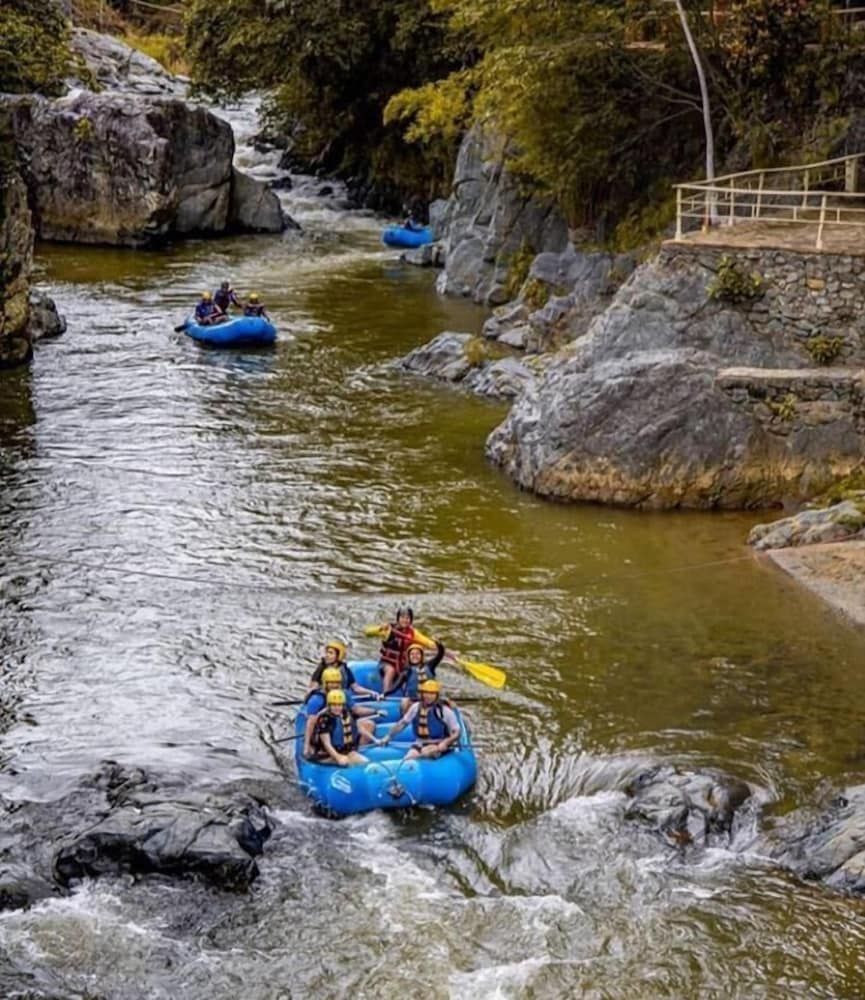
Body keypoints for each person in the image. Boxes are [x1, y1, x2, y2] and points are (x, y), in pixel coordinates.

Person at [302, 667, 380, 758]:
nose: (334, 685)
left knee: (369, 724)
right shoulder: (317, 699)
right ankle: (332, 753)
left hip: (341, 725)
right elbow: (311, 722)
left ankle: (356, 750)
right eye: (331, 683)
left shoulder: (343, 694)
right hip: (325, 729)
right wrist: (306, 746)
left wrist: (375, 711)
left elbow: (356, 710)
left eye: (337, 682)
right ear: (325, 683)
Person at [378, 679, 460, 760]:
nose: (428, 696)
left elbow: (457, 733)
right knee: (408, 758)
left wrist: (446, 742)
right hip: (420, 743)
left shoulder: (444, 711)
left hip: (439, 743)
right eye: (426, 693)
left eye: (432, 693)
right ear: (422, 694)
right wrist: (388, 736)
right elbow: (402, 724)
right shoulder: (415, 707)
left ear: (437, 695)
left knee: (426, 752)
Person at [376, 607, 436, 696]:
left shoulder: (413, 633)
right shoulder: (388, 629)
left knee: (416, 670)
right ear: (398, 619)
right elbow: (371, 632)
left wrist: (436, 646)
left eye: (407, 618)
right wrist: (380, 629)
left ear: (411, 620)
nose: (405, 620)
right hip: (386, 663)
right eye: (402, 617)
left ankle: (417, 694)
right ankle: (385, 693)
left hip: (402, 664)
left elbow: (427, 642)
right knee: (391, 670)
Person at [307, 689, 369, 766]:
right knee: (348, 761)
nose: (337, 707)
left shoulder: (346, 714)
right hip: (326, 755)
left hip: (345, 751)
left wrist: (375, 740)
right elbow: (326, 743)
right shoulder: (325, 719)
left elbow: (358, 728)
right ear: (329, 706)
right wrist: (338, 757)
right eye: (334, 705)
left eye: (339, 705)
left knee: (363, 761)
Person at [308, 640, 381, 700]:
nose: (327, 655)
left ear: (338, 656)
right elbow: (313, 686)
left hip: (340, 698)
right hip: (326, 698)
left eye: (330, 653)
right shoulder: (321, 668)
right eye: (327, 652)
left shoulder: (344, 669)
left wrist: (371, 693)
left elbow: (356, 688)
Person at [393, 640, 446, 711]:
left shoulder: (430, 666)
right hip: (413, 700)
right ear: (409, 657)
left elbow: (440, 655)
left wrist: (440, 646)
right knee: (405, 703)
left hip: (430, 699)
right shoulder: (407, 670)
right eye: (412, 654)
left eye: (417, 654)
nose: (415, 656)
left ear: (421, 656)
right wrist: (384, 694)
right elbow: (396, 685)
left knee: (447, 703)